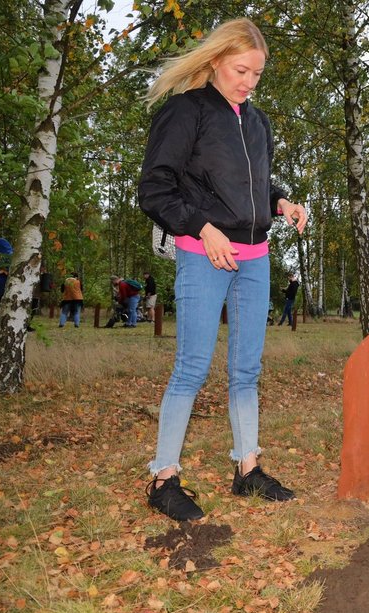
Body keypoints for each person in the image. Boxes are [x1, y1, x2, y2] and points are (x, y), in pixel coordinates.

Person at [138, 18, 308, 521]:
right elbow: (155, 187)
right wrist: (202, 226)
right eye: (241, 70)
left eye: (256, 74)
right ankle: (163, 478)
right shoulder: (184, 111)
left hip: (255, 259)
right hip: (204, 253)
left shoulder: (257, 123)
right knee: (191, 367)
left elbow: (253, 181)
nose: (249, 82)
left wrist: (280, 201)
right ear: (215, 61)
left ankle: (247, 468)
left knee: (246, 369)